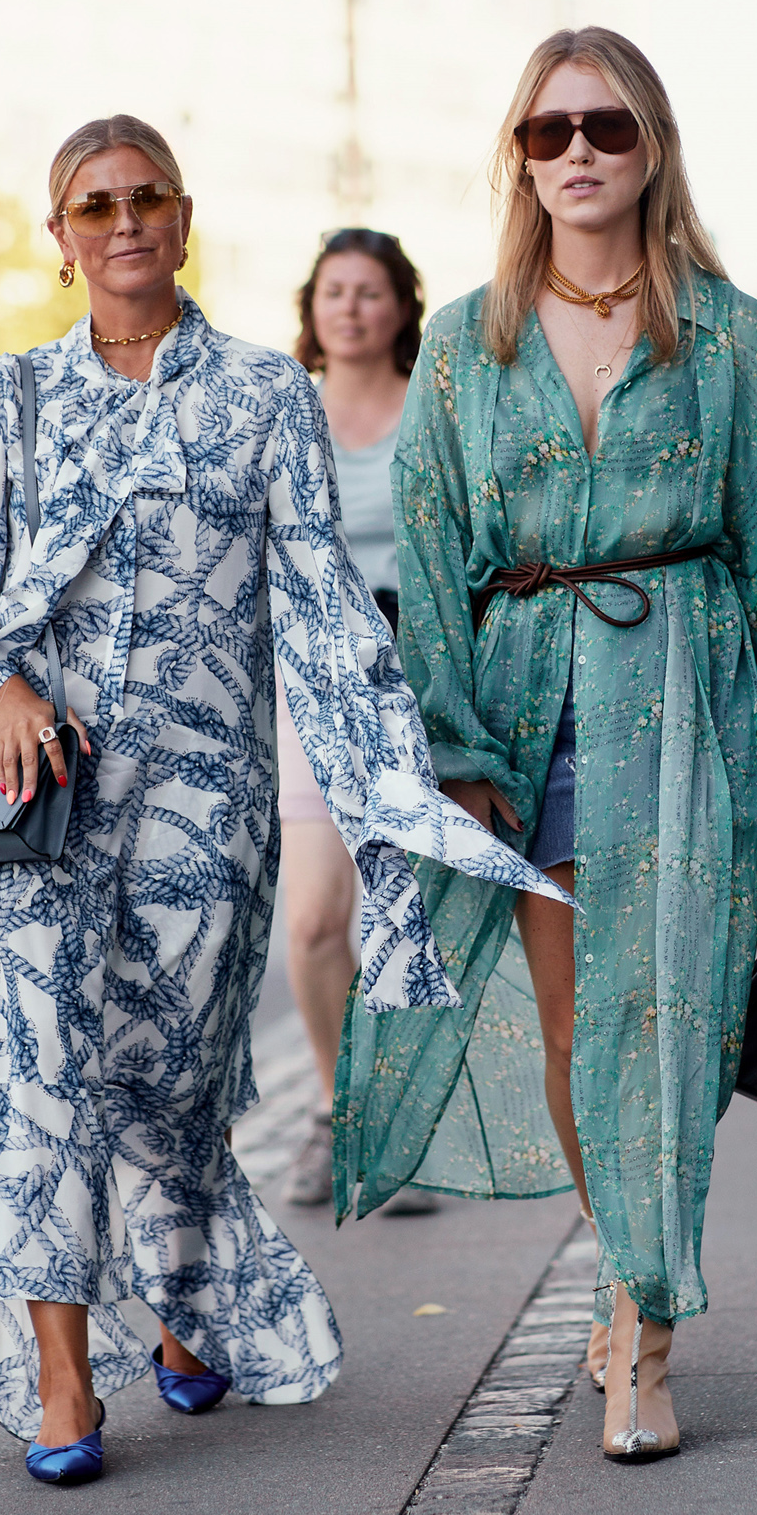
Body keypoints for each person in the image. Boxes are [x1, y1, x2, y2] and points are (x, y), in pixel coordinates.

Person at [0, 115, 561, 1487]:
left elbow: (321, 601)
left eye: (146, 197)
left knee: (179, 1073)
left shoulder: (265, 396)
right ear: (61, 237)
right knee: (41, 1078)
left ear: (186, 217)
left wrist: (405, 778)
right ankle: (63, 1379)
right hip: (33, 805)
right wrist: (3, 689)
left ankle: (187, 1297)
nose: (124, 222)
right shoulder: (8, 400)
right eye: (94, 206)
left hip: (206, 807)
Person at [334, 27, 757, 1466]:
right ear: (518, 158)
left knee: (673, 1017)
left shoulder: (728, 333)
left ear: (652, 148)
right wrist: (452, 743)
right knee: (576, 1026)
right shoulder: (465, 342)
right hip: (527, 709)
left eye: (607, 127)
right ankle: (626, 1262)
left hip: (688, 695)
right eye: (548, 130)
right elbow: (431, 551)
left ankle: (645, 1330)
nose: (577, 152)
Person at [275, 229, 441, 1217]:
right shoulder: (282, 409)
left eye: (369, 291)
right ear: (313, 306)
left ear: (400, 308)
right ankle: (340, 1107)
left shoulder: (433, 410)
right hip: (309, 686)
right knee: (312, 921)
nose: (349, 307)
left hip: (414, 691)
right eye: (333, 290)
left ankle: (395, 1131)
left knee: (400, 921)